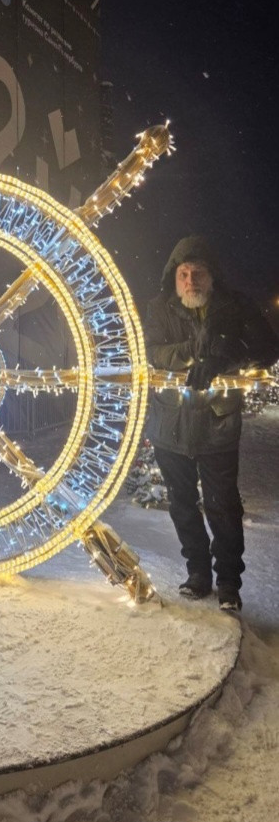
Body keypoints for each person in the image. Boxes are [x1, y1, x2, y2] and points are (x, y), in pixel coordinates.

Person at [144, 235, 279, 611]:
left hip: (217, 424)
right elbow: (152, 351)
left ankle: (229, 582)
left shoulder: (235, 307)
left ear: (212, 276)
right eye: (184, 274)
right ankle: (198, 573)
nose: (191, 281)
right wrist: (193, 352)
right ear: (174, 278)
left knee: (224, 507)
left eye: (198, 272)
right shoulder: (159, 308)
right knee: (183, 505)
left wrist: (225, 357)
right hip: (170, 425)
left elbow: (267, 348)